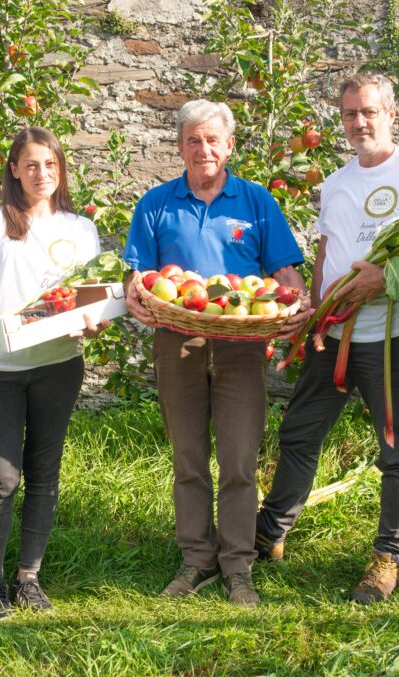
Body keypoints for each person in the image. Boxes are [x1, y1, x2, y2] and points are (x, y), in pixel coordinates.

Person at [254, 73, 399, 605]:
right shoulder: (338, 182)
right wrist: (315, 312)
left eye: (369, 112)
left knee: (397, 449)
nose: (359, 122)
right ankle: (271, 531)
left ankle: (389, 556)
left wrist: (384, 280)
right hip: (334, 333)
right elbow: (326, 252)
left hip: (394, 336)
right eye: (349, 114)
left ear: (392, 114)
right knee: (299, 433)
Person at [123, 99, 309, 607]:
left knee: (239, 458)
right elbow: (135, 273)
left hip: (242, 345)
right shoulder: (156, 203)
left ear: (229, 145)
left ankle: (238, 565)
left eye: (212, 140)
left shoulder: (255, 202)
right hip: (177, 342)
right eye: (192, 140)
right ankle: (196, 559)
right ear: (180, 146)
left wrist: (300, 303)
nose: (203, 149)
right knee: (187, 456)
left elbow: (286, 271)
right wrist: (135, 296)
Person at [0, 127, 106, 620]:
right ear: (14, 169)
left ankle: (28, 578)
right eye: (32, 165)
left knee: (44, 473)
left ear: (61, 170)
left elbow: (89, 296)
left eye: (51, 165)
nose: (42, 174)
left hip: (58, 365)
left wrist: (95, 319)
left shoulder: (80, 228)